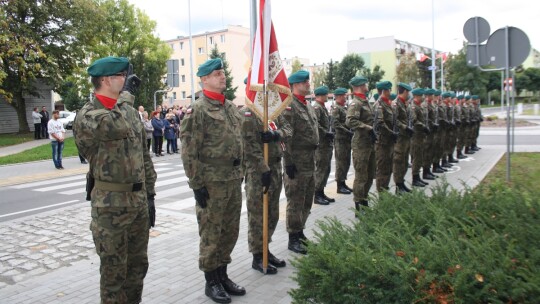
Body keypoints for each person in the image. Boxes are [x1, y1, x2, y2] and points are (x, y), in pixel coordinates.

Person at [73, 56, 157, 304]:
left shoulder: (130, 113)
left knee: (138, 267)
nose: (126, 81)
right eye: (122, 76)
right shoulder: (88, 114)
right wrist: (127, 95)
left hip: (137, 203)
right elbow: (113, 127)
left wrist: (150, 195)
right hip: (110, 207)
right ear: (107, 80)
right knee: (113, 274)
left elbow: (144, 156)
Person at [180, 58, 245, 303]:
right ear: (204, 79)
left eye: (223, 73)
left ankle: (223, 275)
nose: (222, 76)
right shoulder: (197, 110)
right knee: (211, 232)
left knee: (230, 231)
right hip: (211, 182)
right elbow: (189, 151)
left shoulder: (230, 107)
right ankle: (211, 281)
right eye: (217, 74)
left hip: (233, 178)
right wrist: (196, 184)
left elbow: (240, 143)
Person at [240, 106, 291, 275]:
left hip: (275, 166)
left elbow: (288, 129)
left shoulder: (274, 110)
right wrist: (263, 168)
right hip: (258, 171)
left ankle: (266, 249)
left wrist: (276, 135)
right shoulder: (248, 113)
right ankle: (258, 256)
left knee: (272, 213)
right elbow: (248, 145)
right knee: (258, 215)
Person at [282, 70, 319, 255]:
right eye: (304, 82)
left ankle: (300, 231)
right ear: (295, 85)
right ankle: (293, 238)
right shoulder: (290, 106)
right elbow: (286, 136)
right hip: (296, 161)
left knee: (306, 199)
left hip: (309, 161)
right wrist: (288, 161)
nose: (308, 84)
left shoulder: (308, 106)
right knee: (295, 200)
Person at [345, 76, 375, 215]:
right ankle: (359, 205)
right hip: (360, 144)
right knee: (361, 176)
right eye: (365, 83)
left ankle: (364, 200)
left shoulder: (364, 101)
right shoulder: (356, 103)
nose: (367, 85)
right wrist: (367, 127)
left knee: (369, 175)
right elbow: (350, 121)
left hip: (369, 143)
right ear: (361, 85)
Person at [373, 81, 397, 192]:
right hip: (382, 143)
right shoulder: (379, 105)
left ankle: (385, 189)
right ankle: (381, 194)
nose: (390, 92)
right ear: (384, 91)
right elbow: (380, 123)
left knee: (388, 168)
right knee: (382, 169)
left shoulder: (388, 104)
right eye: (389, 90)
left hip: (389, 142)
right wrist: (392, 133)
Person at [313, 86, 335, 205]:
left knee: (326, 169)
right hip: (321, 144)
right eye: (326, 95)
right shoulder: (317, 107)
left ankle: (321, 192)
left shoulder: (322, 107)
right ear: (321, 95)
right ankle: (316, 194)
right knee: (321, 169)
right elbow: (315, 124)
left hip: (326, 143)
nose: (327, 96)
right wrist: (326, 133)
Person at [392, 83, 413, 194]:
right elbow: (395, 120)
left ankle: (401, 183)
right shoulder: (396, 104)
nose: (409, 94)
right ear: (404, 91)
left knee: (404, 161)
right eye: (408, 92)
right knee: (399, 161)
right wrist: (405, 127)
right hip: (400, 138)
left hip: (406, 138)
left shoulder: (404, 104)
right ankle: (398, 186)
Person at [331, 88, 353, 194]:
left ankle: (343, 183)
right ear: (339, 96)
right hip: (340, 139)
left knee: (346, 162)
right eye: (344, 95)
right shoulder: (336, 108)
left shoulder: (344, 108)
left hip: (346, 139)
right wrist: (347, 131)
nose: (346, 97)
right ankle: (339, 186)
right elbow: (335, 124)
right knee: (341, 162)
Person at [410, 88, 429, 187]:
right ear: (417, 96)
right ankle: (415, 178)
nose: (423, 97)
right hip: (416, 135)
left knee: (420, 157)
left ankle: (418, 177)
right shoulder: (414, 106)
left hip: (421, 136)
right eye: (421, 95)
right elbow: (414, 120)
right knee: (416, 158)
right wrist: (423, 126)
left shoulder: (419, 106)